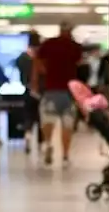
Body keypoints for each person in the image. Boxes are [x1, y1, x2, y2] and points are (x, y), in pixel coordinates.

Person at [33, 21, 84, 166]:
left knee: (48, 121)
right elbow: (79, 65)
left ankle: (48, 143)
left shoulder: (49, 44)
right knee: (67, 124)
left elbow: (37, 62)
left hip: (50, 90)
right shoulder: (75, 47)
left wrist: (37, 80)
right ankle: (65, 156)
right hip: (69, 92)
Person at [15, 32, 43, 151]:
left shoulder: (23, 57)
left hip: (27, 90)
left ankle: (27, 136)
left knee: (28, 116)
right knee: (41, 117)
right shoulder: (42, 57)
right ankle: (42, 144)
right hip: (41, 91)